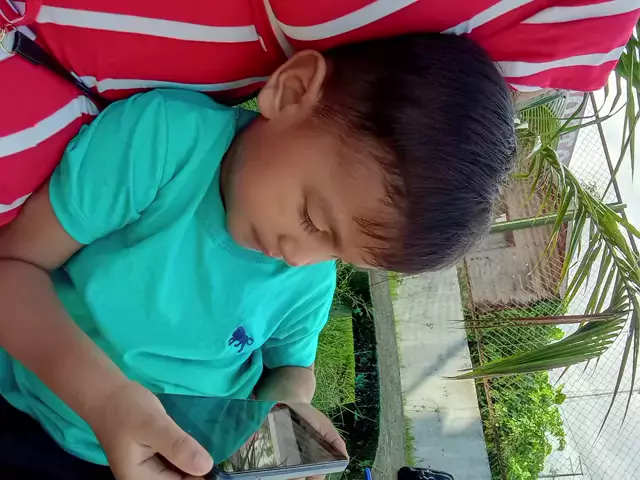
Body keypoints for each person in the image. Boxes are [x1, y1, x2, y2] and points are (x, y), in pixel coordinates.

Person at [0, 33, 514, 479]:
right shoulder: (164, 145)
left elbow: (292, 366)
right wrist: (105, 400)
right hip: (35, 409)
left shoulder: (309, 277)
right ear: (291, 92)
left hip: (179, 459)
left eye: (339, 253)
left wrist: (284, 409)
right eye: (312, 218)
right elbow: (12, 269)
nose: (300, 257)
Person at [1, 0, 639, 225]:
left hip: (76, 98)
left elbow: (410, 156)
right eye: (311, 222)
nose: (296, 256)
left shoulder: (589, 20)